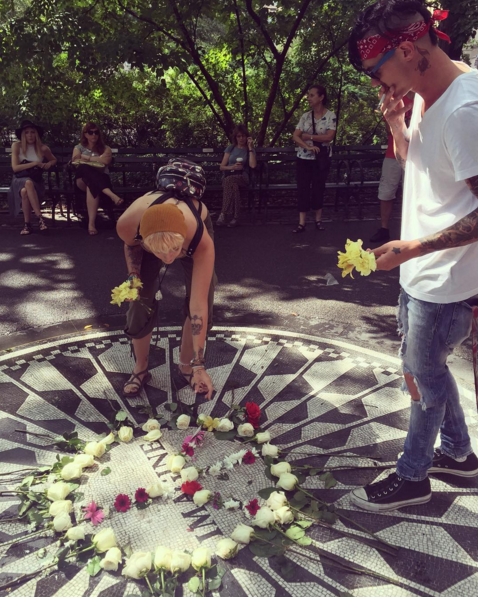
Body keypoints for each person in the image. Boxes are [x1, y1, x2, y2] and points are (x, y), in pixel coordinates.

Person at [347, 0, 478, 512]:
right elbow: (421, 164)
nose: (377, 86)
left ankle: (414, 475)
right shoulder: (426, 90)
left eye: (377, 75)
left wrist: (414, 247)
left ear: (407, 48)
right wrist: (397, 128)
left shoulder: (466, 111)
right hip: (420, 274)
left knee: (423, 376)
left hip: (441, 281)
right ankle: (461, 454)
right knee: (426, 369)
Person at [116, 158, 216, 400]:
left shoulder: (199, 239)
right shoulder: (128, 225)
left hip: (190, 235)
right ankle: (140, 369)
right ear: (144, 239)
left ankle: (186, 365)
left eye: (174, 250)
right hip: (150, 233)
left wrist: (199, 364)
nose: (168, 258)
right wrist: (133, 275)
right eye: (160, 251)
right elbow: (131, 246)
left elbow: (198, 306)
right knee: (139, 302)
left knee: (204, 297)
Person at [292, 85, 336, 233]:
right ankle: (301, 223)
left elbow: (329, 137)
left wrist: (309, 136)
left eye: (312, 95)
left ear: (321, 97)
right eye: (308, 95)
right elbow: (295, 136)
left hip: (321, 159)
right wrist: (308, 146)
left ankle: (318, 220)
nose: (308, 98)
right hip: (303, 159)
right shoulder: (305, 116)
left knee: (318, 188)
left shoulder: (330, 116)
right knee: (303, 188)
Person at [370, 95, 413, 243]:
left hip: (417, 156)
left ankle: (411, 230)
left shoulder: (424, 99)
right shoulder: (397, 100)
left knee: (412, 192)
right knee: (386, 191)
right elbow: (390, 129)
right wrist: (400, 123)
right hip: (392, 153)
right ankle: (384, 229)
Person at [72, 122, 123, 235]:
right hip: (81, 181)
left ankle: (91, 224)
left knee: (92, 184)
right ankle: (111, 195)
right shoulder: (78, 147)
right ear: (85, 134)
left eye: (96, 132)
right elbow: (75, 161)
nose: (94, 135)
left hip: (101, 180)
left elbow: (105, 161)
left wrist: (85, 157)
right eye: (90, 132)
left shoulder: (106, 148)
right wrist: (95, 159)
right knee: (85, 168)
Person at [10, 120, 57, 235]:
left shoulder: (43, 148)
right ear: (22, 134)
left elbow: (53, 159)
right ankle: (40, 218)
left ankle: (27, 225)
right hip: (18, 180)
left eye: (32, 132)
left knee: (26, 190)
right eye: (26, 132)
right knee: (27, 183)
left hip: (36, 181)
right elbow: (15, 168)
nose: (30, 135)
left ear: (36, 134)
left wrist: (49, 164)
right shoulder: (17, 146)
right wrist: (35, 163)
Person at [217, 124, 256, 228]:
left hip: (243, 177)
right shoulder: (231, 148)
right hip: (229, 175)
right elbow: (222, 167)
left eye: (243, 136)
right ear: (235, 137)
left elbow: (252, 165)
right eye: (239, 136)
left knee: (229, 181)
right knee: (233, 185)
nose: (241, 138)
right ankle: (236, 218)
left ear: (247, 137)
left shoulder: (249, 150)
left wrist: (251, 148)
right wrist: (232, 167)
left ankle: (223, 214)